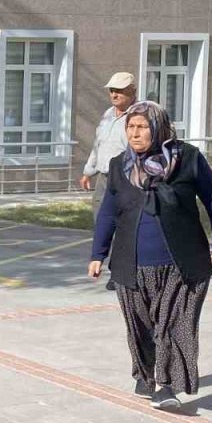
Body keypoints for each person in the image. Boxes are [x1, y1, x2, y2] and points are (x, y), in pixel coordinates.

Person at [90, 100, 212, 411]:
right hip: (131, 263)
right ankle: (144, 374)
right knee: (139, 325)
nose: (135, 133)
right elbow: (108, 214)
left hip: (181, 263)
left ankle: (166, 385)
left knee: (172, 323)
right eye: (131, 127)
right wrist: (98, 253)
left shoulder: (187, 158)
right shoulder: (119, 165)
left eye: (142, 127)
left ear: (159, 128)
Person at [81, 73, 136, 291]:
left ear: (132, 91)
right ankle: (109, 264)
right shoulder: (107, 115)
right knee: (103, 224)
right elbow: (98, 145)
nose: (114, 94)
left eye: (119, 90)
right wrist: (88, 171)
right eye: (111, 90)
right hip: (105, 178)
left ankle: (120, 272)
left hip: (127, 178)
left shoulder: (138, 116)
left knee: (125, 227)